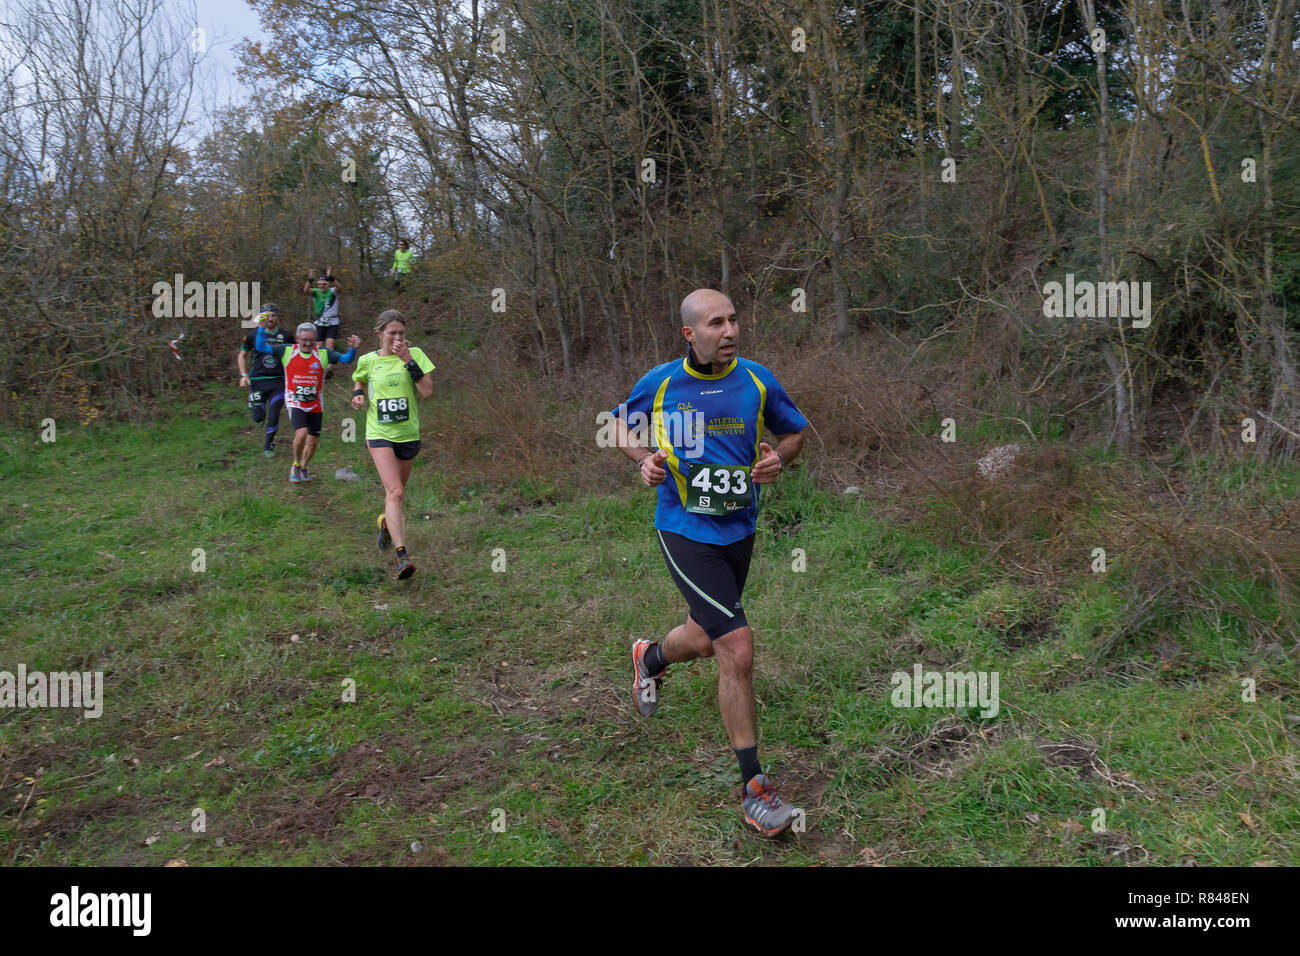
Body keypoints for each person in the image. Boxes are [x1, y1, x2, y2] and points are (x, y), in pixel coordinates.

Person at [609, 288, 809, 836]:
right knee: (736, 645)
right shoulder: (662, 383)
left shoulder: (757, 381)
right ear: (690, 334)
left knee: (702, 636)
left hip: (738, 528)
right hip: (684, 528)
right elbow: (619, 425)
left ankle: (650, 659)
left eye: (734, 320)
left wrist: (778, 461)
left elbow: (793, 434)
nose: (731, 331)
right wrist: (643, 460)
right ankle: (755, 789)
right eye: (717, 323)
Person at [351, 310, 434, 580]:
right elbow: (360, 377)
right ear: (380, 335)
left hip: (408, 434)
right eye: (392, 333)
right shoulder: (368, 360)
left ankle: (386, 522)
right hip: (379, 433)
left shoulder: (416, 354)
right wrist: (358, 395)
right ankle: (402, 556)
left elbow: (427, 391)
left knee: (396, 495)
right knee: (395, 492)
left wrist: (408, 360)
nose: (398, 337)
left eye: (401, 333)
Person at [253, 321, 360, 483]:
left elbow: (346, 359)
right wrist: (261, 328)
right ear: (297, 338)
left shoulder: (323, 353)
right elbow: (261, 347)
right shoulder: (287, 351)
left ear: (316, 338)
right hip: (294, 401)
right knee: (301, 433)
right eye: (304, 339)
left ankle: (303, 467)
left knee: (313, 440)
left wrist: (353, 348)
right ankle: (295, 464)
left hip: (316, 403)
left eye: (311, 339)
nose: (308, 343)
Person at [237, 304, 289, 456]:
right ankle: (258, 415)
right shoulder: (252, 335)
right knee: (259, 416)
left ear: (277, 317)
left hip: (278, 381)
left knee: (274, 414)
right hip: (257, 380)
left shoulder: (286, 336)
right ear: (261, 318)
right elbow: (242, 355)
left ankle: (268, 445)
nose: (270, 319)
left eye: (273, 315)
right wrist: (243, 375)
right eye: (266, 316)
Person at [300, 268, 341, 351]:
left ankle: (329, 363)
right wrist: (310, 280)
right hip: (319, 321)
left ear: (328, 284)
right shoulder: (316, 292)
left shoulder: (332, 291)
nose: (322, 286)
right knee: (318, 345)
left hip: (332, 321)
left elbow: (339, 287)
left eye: (324, 284)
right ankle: (319, 362)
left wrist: (331, 277)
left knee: (330, 344)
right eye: (319, 284)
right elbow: (305, 290)